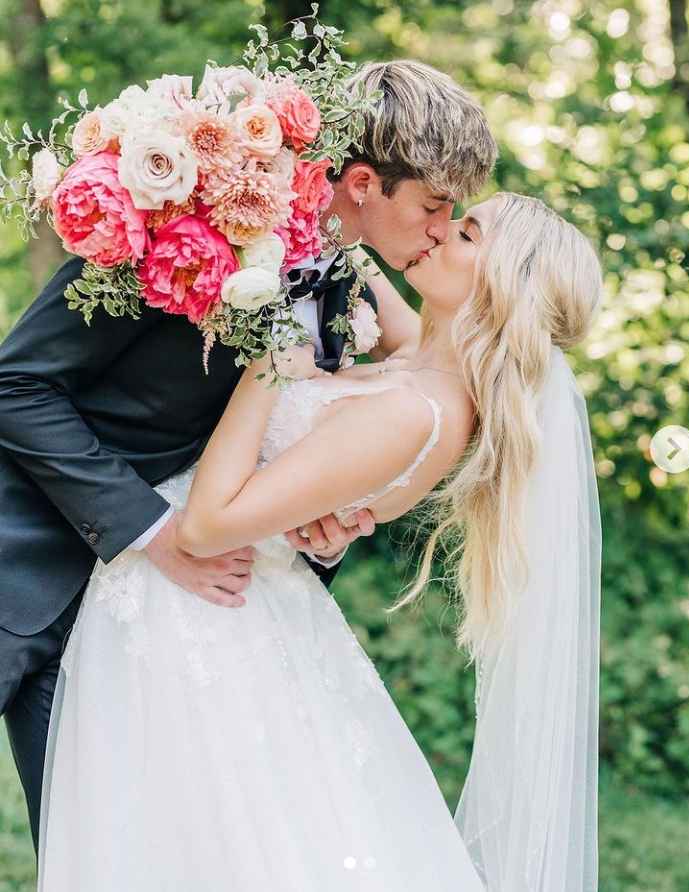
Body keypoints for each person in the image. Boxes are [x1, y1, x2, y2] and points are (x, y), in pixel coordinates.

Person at [38, 192, 602, 891]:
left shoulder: (415, 411)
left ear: (500, 283)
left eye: (463, 231)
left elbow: (210, 525)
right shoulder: (420, 361)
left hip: (210, 607)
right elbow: (354, 253)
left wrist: (272, 365)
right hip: (199, 604)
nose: (436, 232)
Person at [0, 58, 496, 852]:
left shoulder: (345, 286)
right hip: (27, 570)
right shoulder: (177, 208)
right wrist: (151, 534)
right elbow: (16, 387)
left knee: (108, 852)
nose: (442, 226)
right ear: (365, 185)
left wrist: (330, 517)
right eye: (435, 204)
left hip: (157, 632)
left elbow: (318, 428)